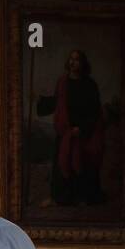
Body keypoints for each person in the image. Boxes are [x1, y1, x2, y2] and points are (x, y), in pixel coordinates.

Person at [36, 48, 105, 207]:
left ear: (83, 63)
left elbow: (94, 111)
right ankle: (58, 198)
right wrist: (41, 100)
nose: (73, 62)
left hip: (82, 133)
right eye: (71, 59)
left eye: (77, 59)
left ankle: (82, 197)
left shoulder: (89, 85)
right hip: (65, 131)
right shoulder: (62, 82)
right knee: (61, 165)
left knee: (82, 165)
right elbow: (57, 103)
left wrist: (81, 128)